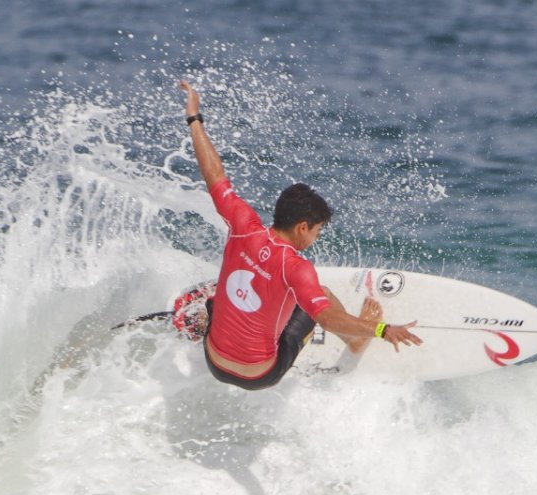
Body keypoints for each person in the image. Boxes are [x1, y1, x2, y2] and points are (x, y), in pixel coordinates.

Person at [179, 80, 422, 390]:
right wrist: (381, 330)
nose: (316, 238)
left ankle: (200, 322)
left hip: (214, 362)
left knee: (216, 298)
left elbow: (214, 174)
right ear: (302, 227)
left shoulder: (242, 225)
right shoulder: (296, 268)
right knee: (321, 296)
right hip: (259, 375)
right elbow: (327, 317)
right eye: (318, 231)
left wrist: (194, 117)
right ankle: (355, 341)